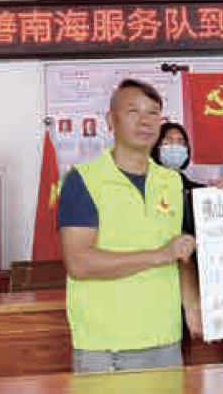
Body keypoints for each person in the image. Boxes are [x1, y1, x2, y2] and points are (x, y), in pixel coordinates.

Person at [58, 78, 202, 374]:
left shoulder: (172, 182)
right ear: (111, 120)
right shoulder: (83, 180)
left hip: (166, 338)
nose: (145, 121)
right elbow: (79, 263)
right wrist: (160, 255)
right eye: (133, 111)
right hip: (106, 344)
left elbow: (181, 253)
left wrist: (192, 305)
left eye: (153, 113)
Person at [150, 121, 204, 235]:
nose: (175, 146)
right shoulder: (146, 187)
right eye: (168, 141)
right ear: (156, 147)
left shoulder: (199, 190)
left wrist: (218, 193)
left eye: (181, 142)